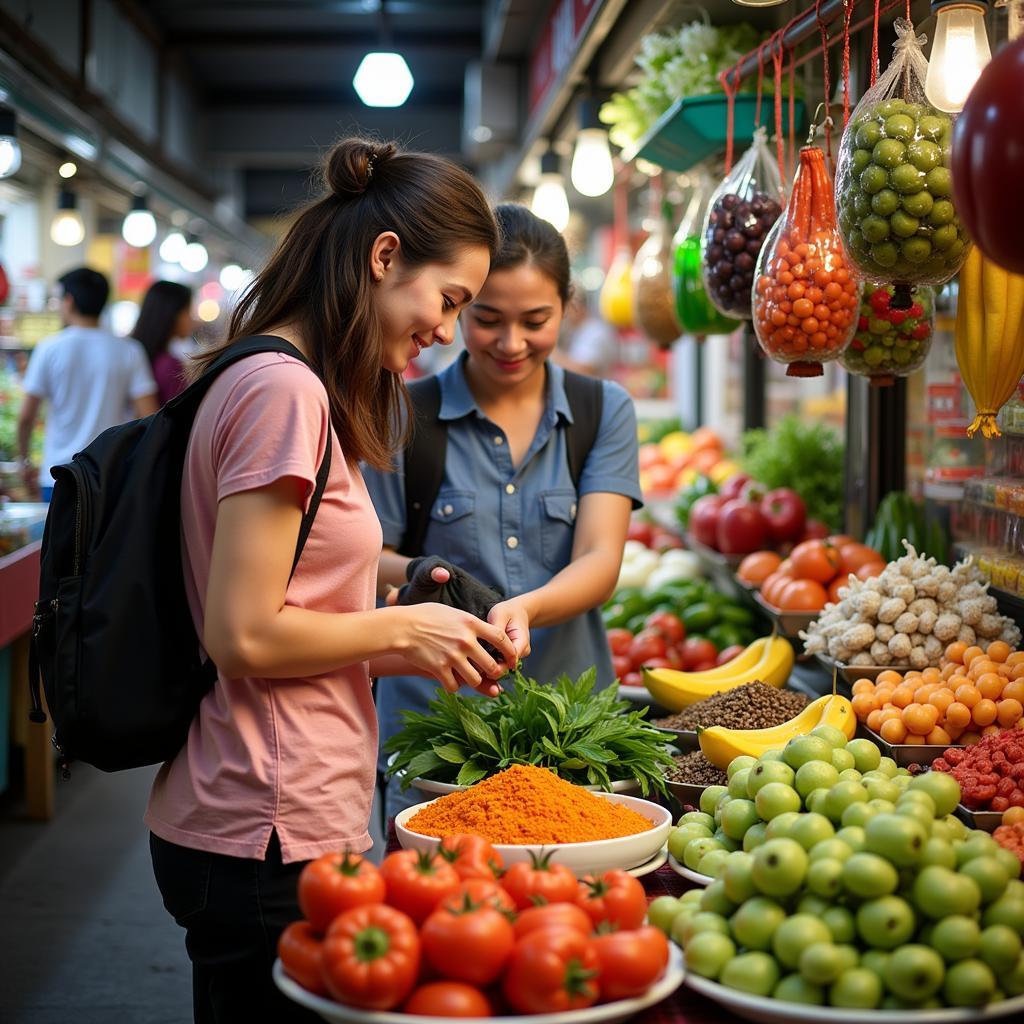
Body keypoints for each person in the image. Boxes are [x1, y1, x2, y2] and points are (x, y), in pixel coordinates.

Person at [143, 137, 523, 1024]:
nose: (444, 330)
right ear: (385, 257)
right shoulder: (286, 392)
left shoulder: (283, 375)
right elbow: (241, 636)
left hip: (271, 806)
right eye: (450, 300)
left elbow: (294, 601)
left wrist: (428, 619)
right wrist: (403, 630)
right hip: (262, 822)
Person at [364, 204, 642, 821]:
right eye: (486, 319)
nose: (511, 344)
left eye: (535, 321)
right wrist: (423, 574)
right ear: (456, 307)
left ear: (567, 308)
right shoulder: (402, 411)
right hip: (437, 733)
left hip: (574, 731)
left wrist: (525, 608)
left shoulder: (603, 411)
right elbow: (365, 552)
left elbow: (600, 558)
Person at [17, 267, 159, 500]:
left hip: (57, 475)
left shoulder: (49, 348)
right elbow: (149, 417)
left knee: (55, 537)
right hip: (110, 476)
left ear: (69, 301)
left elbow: (26, 417)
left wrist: (25, 461)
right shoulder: (129, 351)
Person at [132, 279, 194, 403]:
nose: (192, 319)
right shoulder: (170, 366)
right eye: (187, 312)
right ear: (172, 314)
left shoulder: (135, 353)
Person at [556, 287, 619, 377]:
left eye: (566, 307)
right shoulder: (579, 330)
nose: (564, 313)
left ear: (576, 306)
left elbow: (583, 370)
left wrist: (551, 354)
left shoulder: (595, 331)